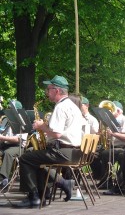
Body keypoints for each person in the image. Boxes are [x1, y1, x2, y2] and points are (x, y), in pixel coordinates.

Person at [14, 75, 83, 208]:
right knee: (36, 159)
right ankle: (45, 194)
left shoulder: (60, 107)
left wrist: (42, 126)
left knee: (25, 158)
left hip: (64, 151)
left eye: (49, 89)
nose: (47, 92)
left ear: (57, 91)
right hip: (75, 152)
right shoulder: (73, 106)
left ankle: (34, 197)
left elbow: (57, 134)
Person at [91, 101, 125, 190]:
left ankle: (108, 182)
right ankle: (103, 179)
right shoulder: (108, 121)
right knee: (93, 154)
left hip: (123, 147)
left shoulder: (124, 119)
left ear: (118, 111)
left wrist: (113, 134)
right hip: (112, 146)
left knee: (105, 154)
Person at [0, 100, 28, 189]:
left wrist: (2, 138)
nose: (8, 110)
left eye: (11, 109)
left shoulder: (23, 121)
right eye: (9, 108)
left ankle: (3, 179)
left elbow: (18, 139)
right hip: (4, 144)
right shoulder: (5, 119)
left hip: (18, 146)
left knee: (8, 153)